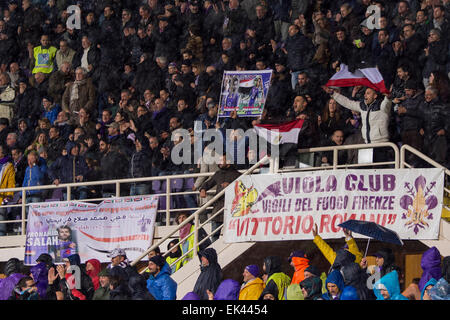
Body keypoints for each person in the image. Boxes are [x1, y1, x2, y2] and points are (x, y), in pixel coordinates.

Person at [199, 153, 241, 243]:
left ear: (229, 162)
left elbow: (243, 189)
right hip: (218, 208)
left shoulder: (237, 175)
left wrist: (231, 186)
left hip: (232, 209)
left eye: (222, 160)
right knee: (214, 235)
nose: (219, 162)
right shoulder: (218, 174)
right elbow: (208, 183)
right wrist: (202, 189)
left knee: (231, 234)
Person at [0, 145, 15, 236]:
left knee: (1, 220)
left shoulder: (8, 166)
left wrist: (8, 196)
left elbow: (11, 182)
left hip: (2, 197)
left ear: (2, 153)